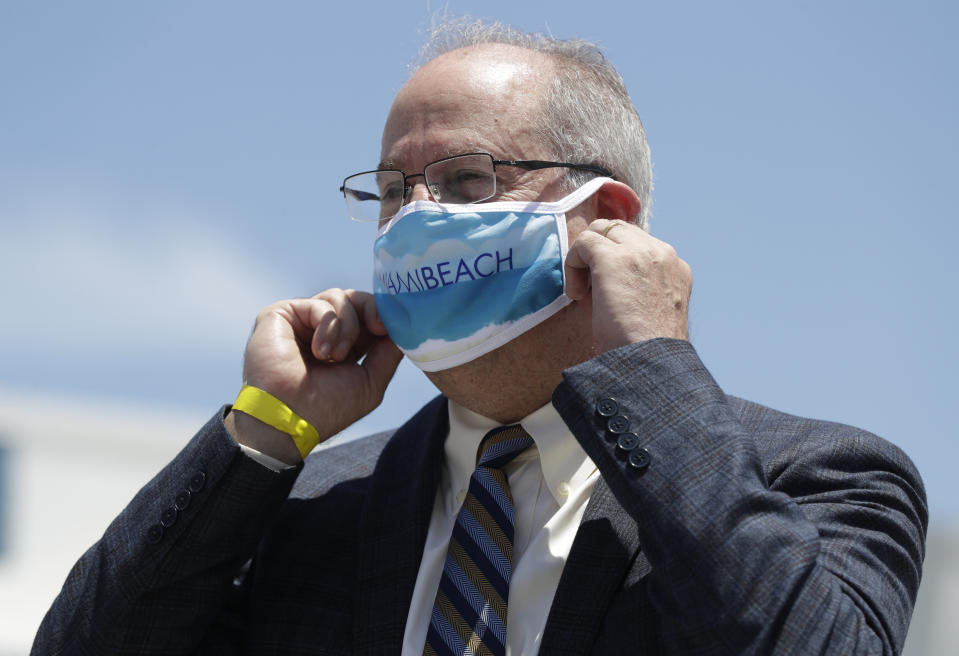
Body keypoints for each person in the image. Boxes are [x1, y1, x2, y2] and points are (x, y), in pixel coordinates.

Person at [34, 18, 926, 656]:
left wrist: (650, 363)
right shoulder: (310, 505)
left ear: (604, 216)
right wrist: (266, 431)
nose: (414, 217)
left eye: (464, 180)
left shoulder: (821, 477)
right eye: (391, 190)